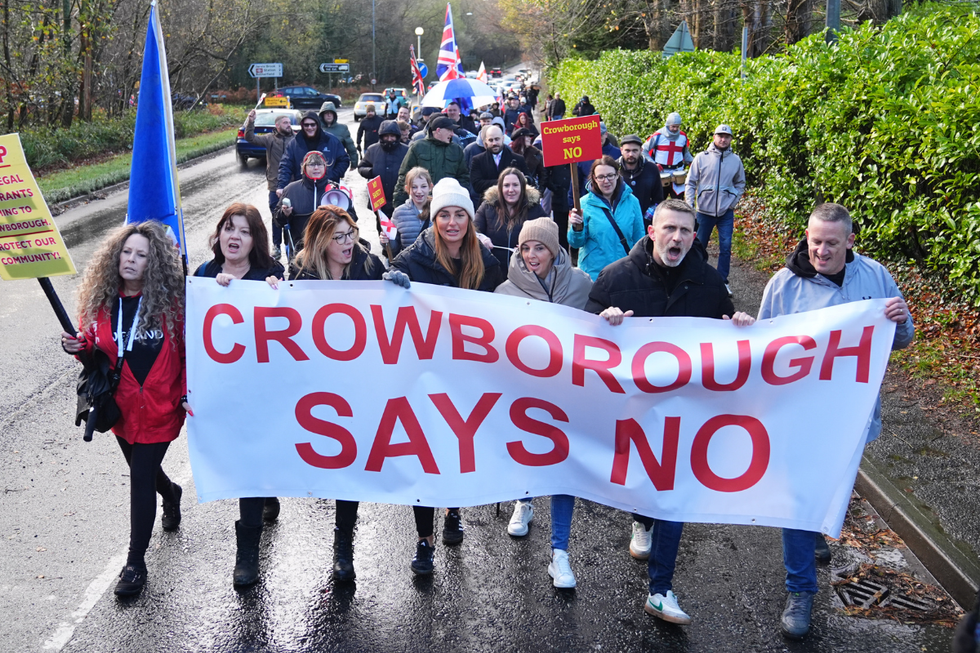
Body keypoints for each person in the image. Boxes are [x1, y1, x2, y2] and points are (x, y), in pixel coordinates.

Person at [586, 198, 752, 626]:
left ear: (694, 236)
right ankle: (641, 519)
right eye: (669, 228)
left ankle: (660, 589)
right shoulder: (614, 277)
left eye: (684, 230)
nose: (676, 237)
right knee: (643, 485)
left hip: (685, 413)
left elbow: (730, 340)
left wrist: (742, 327)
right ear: (653, 230)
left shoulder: (710, 283)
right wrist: (601, 321)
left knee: (673, 494)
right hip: (632, 412)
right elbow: (580, 340)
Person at [757, 202, 914, 640]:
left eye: (830, 243)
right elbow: (763, 351)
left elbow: (901, 339)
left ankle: (818, 525)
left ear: (850, 241)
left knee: (830, 486)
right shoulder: (784, 285)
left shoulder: (875, 276)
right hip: (801, 414)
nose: (821, 251)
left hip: (851, 412)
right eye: (814, 242)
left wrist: (900, 323)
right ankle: (800, 590)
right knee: (798, 497)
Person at [60, 221, 189, 597]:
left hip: (162, 408)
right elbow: (95, 354)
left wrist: (184, 393)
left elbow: (188, 355)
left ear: (155, 263)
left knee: (139, 477)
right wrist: (78, 347)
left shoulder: (173, 304)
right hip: (121, 411)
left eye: (141, 255)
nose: (131, 260)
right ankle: (171, 493)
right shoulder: (101, 301)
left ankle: (135, 563)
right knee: (142, 471)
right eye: (127, 252)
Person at [386, 177, 504, 575]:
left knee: (456, 449)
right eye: (444, 215)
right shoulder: (410, 261)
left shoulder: (488, 266)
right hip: (423, 375)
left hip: (467, 376)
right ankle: (424, 539)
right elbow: (385, 308)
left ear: (469, 220)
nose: (452, 223)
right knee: (424, 455)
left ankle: (453, 509)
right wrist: (392, 286)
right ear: (433, 218)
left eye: (459, 215)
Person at [275, 206, 383, 581]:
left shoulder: (370, 267)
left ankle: (343, 545)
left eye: (350, 232)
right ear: (321, 241)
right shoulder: (301, 272)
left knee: (349, 463)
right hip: (318, 384)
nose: (348, 242)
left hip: (359, 382)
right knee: (325, 459)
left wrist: (400, 283)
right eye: (338, 237)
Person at [495, 218, 591, 588]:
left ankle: (560, 552)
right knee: (528, 451)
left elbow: (599, 330)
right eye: (525, 248)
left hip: (569, 393)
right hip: (526, 392)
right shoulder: (505, 291)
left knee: (563, 465)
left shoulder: (581, 284)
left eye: (540, 247)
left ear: (555, 250)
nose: (532, 255)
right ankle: (525, 499)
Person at [192, 204, 284, 586]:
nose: (234, 237)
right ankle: (266, 491)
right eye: (228, 228)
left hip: (259, 390)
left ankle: (246, 555)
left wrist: (278, 295)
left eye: (244, 231)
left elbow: (287, 329)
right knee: (237, 457)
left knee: (247, 462)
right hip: (220, 390)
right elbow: (190, 335)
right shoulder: (203, 275)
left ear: (255, 239)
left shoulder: (270, 275)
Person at [685, 124, 746, 295]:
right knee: (698, 246)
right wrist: (691, 205)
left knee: (726, 247)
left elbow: (740, 184)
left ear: (731, 139)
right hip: (704, 211)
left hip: (726, 212)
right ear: (714, 137)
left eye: (727, 136)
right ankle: (694, 278)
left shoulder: (736, 160)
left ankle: (722, 282)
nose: (723, 139)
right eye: (720, 135)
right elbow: (690, 182)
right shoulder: (701, 158)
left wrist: (732, 203)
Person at [567, 156, 645, 281]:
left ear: (617, 174)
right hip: (594, 275)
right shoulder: (583, 204)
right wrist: (576, 228)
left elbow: (639, 238)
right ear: (594, 178)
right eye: (601, 177)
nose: (606, 181)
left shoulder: (632, 202)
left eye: (610, 175)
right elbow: (576, 243)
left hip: (625, 272)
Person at [243, 109, 295, 259]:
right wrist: (250, 121)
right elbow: (250, 138)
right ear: (277, 125)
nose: (288, 125)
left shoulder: (296, 140)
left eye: (289, 123)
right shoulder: (269, 139)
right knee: (276, 217)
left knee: (291, 216)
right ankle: (276, 246)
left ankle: (290, 247)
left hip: (292, 185)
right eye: (285, 123)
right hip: (274, 185)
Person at [474, 167, 548, 268]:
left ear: (522, 187)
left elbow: (549, 234)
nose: (511, 190)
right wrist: (480, 238)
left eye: (515, 185)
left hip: (524, 270)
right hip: (492, 268)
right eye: (506, 185)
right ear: (500, 187)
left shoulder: (534, 208)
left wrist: (531, 245)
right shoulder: (488, 206)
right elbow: (472, 231)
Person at [394, 116, 471, 205]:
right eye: (450, 130)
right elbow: (405, 175)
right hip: (422, 203)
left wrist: (462, 199)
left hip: (448, 203)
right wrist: (398, 203)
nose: (452, 134)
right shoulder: (418, 147)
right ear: (438, 130)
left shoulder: (456, 150)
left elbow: (463, 177)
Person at [277, 111, 350, 194]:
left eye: (312, 124)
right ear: (302, 125)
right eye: (306, 125)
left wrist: (331, 175)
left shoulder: (331, 140)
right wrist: (282, 186)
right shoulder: (294, 143)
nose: (309, 127)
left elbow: (344, 160)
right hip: (302, 188)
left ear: (317, 125)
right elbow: (285, 165)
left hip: (327, 188)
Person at [276, 151, 332, 254]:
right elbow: (278, 220)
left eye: (319, 164)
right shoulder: (291, 190)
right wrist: (285, 213)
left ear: (325, 167)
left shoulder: (335, 189)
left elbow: (352, 218)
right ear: (304, 167)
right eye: (311, 164)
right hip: (300, 249)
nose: (316, 168)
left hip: (329, 249)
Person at [357, 120, 409, 218]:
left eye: (392, 136)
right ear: (381, 136)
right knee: (382, 228)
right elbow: (361, 166)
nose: (389, 139)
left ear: (397, 136)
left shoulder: (406, 151)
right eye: (386, 136)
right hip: (379, 197)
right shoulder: (372, 150)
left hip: (400, 197)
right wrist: (370, 172)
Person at [383, 166, 432, 258]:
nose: (419, 191)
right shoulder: (399, 213)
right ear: (407, 189)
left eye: (423, 186)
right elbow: (394, 249)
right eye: (414, 187)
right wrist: (387, 240)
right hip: (409, 266)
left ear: (430, 187)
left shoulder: (438, 211)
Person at [469, 124, 529, 199]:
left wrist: (524, 179)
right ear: (486, 142)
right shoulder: (478, 160)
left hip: (514, 203)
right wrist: (506, 182)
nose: (494, 143)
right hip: (488, 203)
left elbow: (529, 180)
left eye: (497, 139)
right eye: (491, 140)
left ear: (503, 139)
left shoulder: (518, 159)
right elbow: (477, 185)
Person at [643, 112, 693, 198]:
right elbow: (643, 150)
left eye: (677, 127)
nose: (675, 129)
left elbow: (686, 154)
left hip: (678, 173)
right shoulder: (658, 136)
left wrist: (694, 162)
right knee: (659, 201)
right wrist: (653, 164)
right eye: (673, 126)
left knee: (678, 203)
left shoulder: (683, 136)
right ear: (667, 124)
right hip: (661, 173)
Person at [618, 134, 665, 225]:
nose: (631, 154)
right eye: (627, 150)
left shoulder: (652, 169)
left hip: (645, 222)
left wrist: (646, 219)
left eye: (635, 150)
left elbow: (658, 199)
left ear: (641, 150)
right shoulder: (614, 169)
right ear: (621, 150)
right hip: (619, 221)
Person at [319, 101, 359, 169]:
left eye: (331, 113)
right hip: (319, 163)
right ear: (322, 115)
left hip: (336, 164)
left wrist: (354, 163)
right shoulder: (316, 129)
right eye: (326, 113)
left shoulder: (342, 129)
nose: (329, 115)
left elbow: (350, 147)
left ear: (334, 115)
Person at [510, 127, 547, 191]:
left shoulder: (536, 154)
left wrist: (540, 190)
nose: (529, 139)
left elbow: (543, 174)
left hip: (530, 190)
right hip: (512, 189)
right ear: (520, 139)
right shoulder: (509, 153)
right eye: (527, 136)